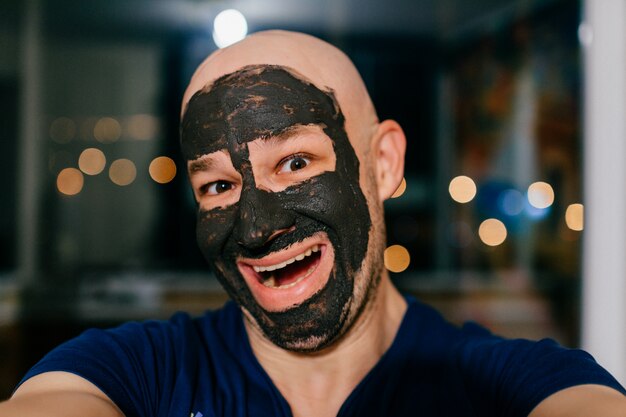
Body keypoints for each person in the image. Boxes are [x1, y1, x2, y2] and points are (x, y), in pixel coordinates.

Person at [1, 30, 625, 417]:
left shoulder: (511, 386)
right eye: (218, 185)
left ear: (383, 165)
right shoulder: (138, 373)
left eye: (295, 162)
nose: (254, 228)